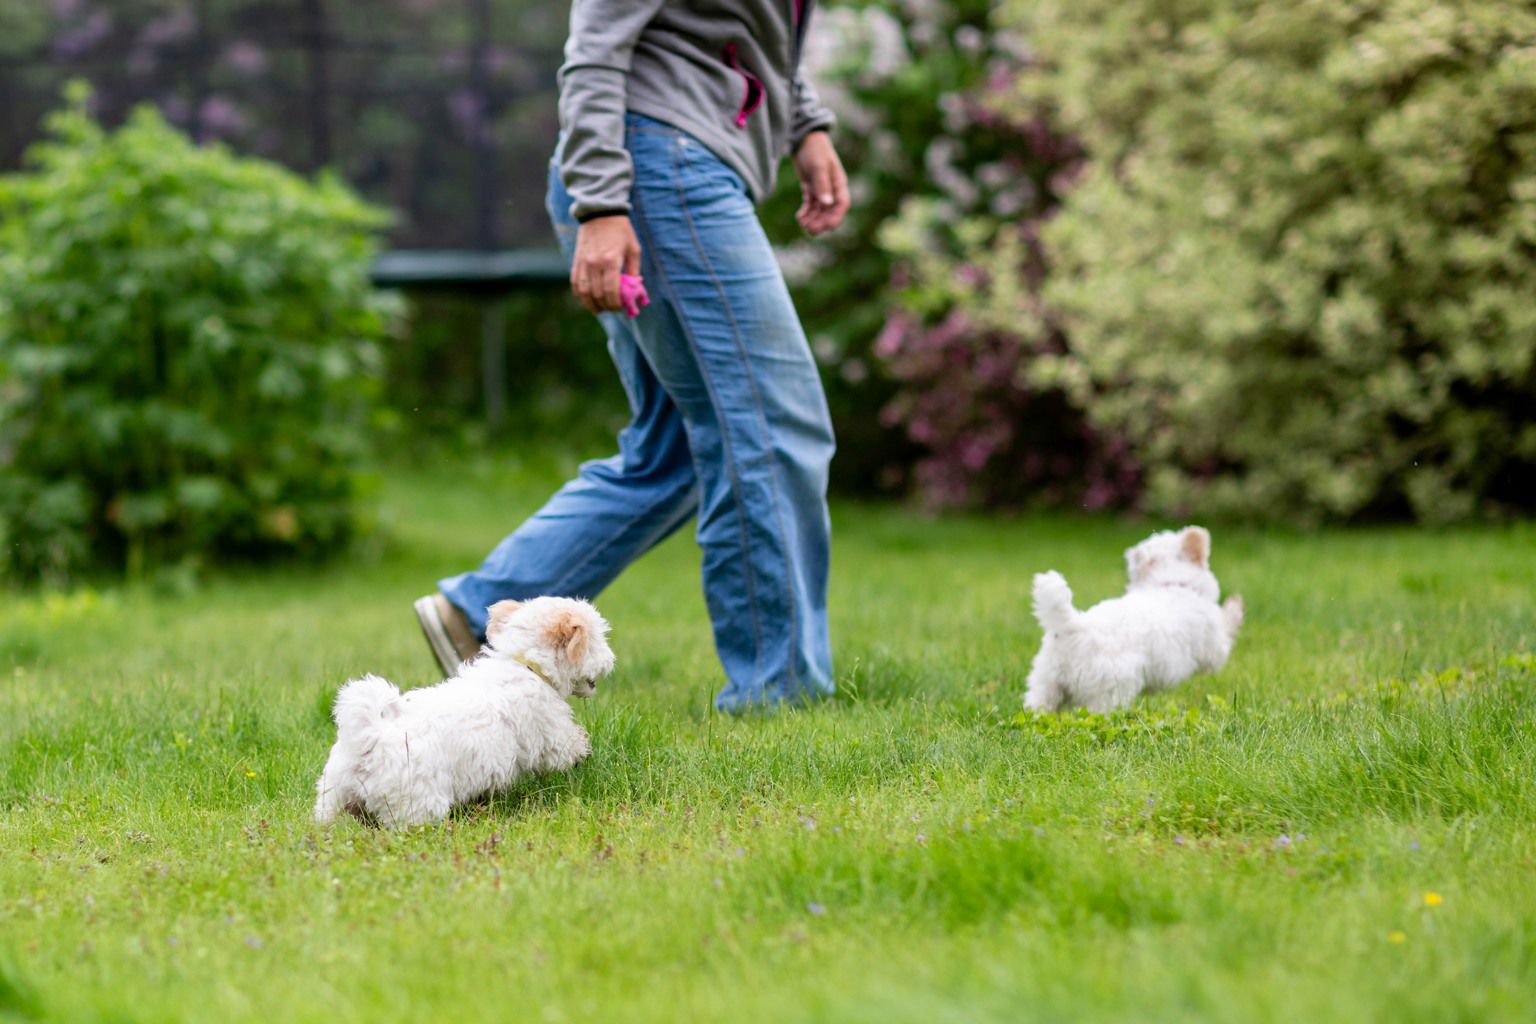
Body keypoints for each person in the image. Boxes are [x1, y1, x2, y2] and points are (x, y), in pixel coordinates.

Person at [414, 0, 850, 713]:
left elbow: (745, 32)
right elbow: (595, 43)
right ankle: (782, 694)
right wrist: (601, 202)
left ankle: (485, 613)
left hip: (663, 167)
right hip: (656, 169)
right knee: (771, 424)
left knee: (676, 448)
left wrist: (804, 123)